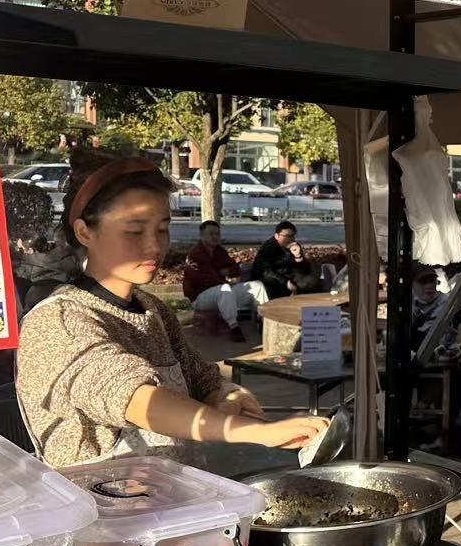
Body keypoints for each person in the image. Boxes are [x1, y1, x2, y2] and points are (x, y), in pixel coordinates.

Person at [17, 158, 327, 467]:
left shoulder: (153, 310)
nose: (154, 246)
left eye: (163, 229)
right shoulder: (57, 322)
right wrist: (256, 432)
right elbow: (136, 399)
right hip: (95, 497)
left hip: (175, 489)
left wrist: (227, 394)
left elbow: (201, 377)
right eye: (134, 231)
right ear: (84, 232)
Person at [182, 219, 267, 341]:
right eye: (211, 234)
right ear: (202, 236)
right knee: (225, 289)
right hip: (200, 297)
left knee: (257, 286)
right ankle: (234, 327)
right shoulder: (195, 255)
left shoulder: (220, 251)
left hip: (222, 292)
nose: (215, 237)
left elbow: (235, 268)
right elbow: (203, 280)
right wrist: (221, 274)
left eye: (217, 234)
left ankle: (264, 320)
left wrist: (226, 273)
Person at [249, 220, 301, 300]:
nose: (290, 239)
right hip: (270, 278)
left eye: (292, 236)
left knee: (310, 280)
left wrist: (298, 256)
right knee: (272, 283)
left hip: (287, 275)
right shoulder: (268, 248)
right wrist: (285, 282)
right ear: (277, 236)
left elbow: (303, 268)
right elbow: (265, 270)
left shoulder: (294, 246)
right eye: (286, 236)